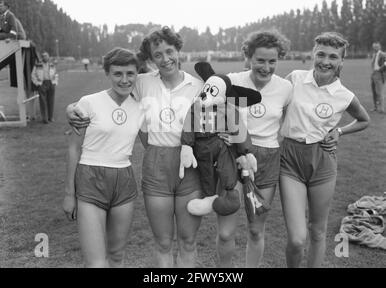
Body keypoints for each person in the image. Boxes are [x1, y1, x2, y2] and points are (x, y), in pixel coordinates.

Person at [67, 26, 203, 268]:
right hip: (156, 166)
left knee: (188, 241)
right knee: (162, 243)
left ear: (178, 50)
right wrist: (71, 109)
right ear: (150, 59)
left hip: (190, 166)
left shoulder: (199, 86)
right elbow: (105, 98)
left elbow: (222, 115)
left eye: (169, 51)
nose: (165, 59)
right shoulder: (141, 82)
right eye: (157, 55)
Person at [279, 32, 370, 268]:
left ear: (341, 61)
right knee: (298, 239)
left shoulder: (344, 95)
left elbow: (363, 120)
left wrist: (339, 132)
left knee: (318, 232)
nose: (325, 61)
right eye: (321, 54)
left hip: (323, 163)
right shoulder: (295, 78)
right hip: (289, 161)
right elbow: (272, 105)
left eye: (333, 56)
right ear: (313, 54)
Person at [217, 30, 293, 267]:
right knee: (226, 233)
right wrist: (220, 131)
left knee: (255, 230)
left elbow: (292, 125)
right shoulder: (231, 81)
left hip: (266, 160)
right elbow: (207, 111)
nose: (266, 67)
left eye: (273, 61)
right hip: (232, 157)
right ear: (248, 57)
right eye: (260, 60)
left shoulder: (286, 88)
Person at [62, 48, 144, 267]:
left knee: (117, 256)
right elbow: (73, 149)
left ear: (137, 74)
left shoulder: (141, 106)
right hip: (90, 178)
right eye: (118, 73)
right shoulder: (88, 103)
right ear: (107, 73)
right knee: (97, 263)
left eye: (130, 74)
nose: (124, 80)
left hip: (124, 181)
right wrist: (70, 194)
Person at [31, 51, 58, 123]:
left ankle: (51, 117)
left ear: (48, 57)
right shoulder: (37, 65)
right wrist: (38, 83)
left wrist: (55, 82)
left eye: (46, 56)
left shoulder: (52, 64)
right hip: (42, 83)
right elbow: (33, 75)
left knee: (51, 101)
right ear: (42, 58)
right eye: (43, 56)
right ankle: (45, 119)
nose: (45, 57)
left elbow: (55, 74)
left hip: (51, 83)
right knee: (43, 102)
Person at [370, 42, 386, 114]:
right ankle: (375, 107)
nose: (375, 48)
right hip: (373, 74)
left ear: (379, 47)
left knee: (379, 92)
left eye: (376, 47)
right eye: (374, 47)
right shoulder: (374, 54)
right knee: (374, 92)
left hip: (379, 74)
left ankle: (382, 109)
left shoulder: (382, 54)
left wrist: (380, 69)